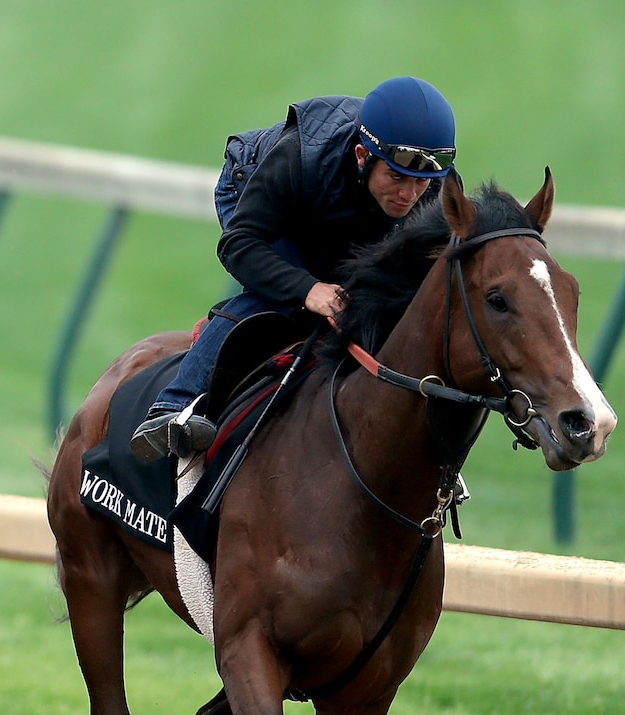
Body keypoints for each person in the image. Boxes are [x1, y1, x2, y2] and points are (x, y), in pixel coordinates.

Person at [130, 75, 457, 461]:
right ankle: (173, 408)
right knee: (285, 297)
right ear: (361, 156)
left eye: (421, 182)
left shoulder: (437, 188)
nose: (408, 194)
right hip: (256, 194)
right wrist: (308, 289)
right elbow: (240, 245)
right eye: (397, 176)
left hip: (347, 213)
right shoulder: (301, 158)